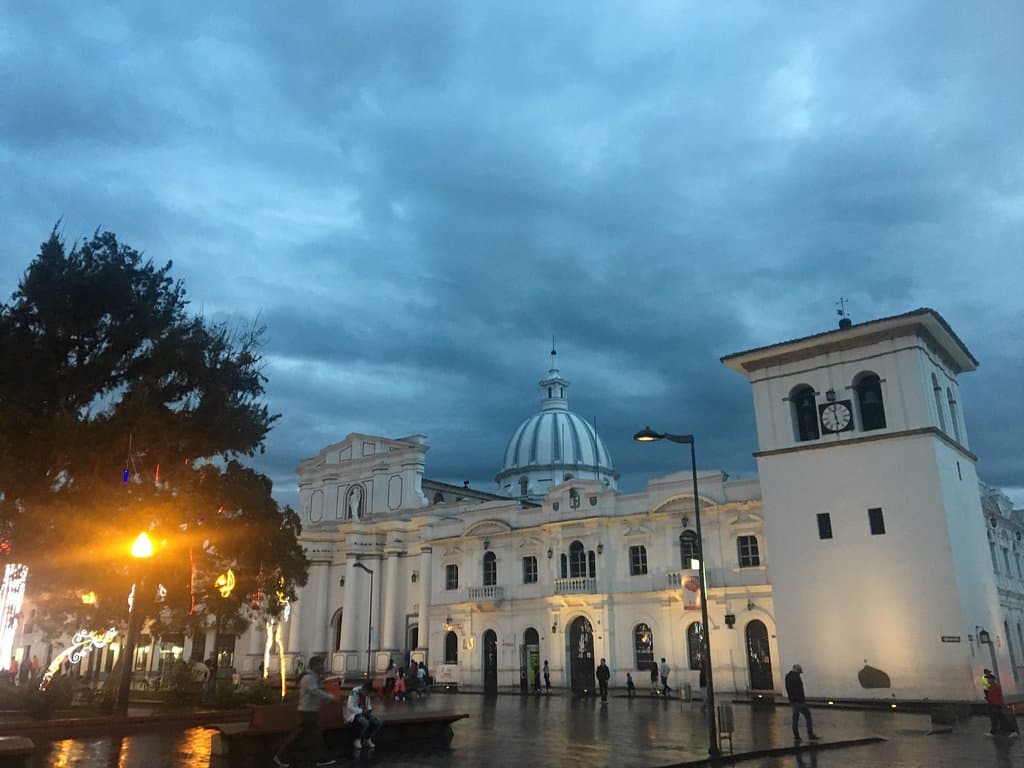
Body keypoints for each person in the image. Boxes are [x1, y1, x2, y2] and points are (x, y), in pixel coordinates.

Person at [272, 655, 337, 767]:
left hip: (310, 711)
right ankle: (280, 757)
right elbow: (314, 691)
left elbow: (315, 692)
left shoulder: (313, 677)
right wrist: (329, 697)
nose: (323, 667)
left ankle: (319, 759)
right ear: (315, 665)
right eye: (321, 664)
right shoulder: (308, 678)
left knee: (314, 737)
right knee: (300, 737)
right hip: (307, 712)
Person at [784, 664, 820, 742]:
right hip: (799, 701)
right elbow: (799, 690)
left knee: (795, 719)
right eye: (799, 672)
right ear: (797, 670)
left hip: (793, 701)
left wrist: (791, 698)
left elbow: (787, 688)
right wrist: (802, 700)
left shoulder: (787, 676)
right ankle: (810, 734)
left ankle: (796, 736)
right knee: (808, 716)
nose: (800, 674)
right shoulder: (796, 677)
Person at [346, 679, 383, 750]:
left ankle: (368, 738)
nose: (367, 695)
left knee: (378, 721)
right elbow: (350, 706)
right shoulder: (355, 692)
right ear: (363, 689)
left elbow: (368, 704)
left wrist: (369, 709)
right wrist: (361, 711)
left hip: (364, 713)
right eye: (367, 693)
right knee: (364, 722)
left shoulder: (367, 694)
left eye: (368, 693)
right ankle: (357, 739)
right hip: (355, 714)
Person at [982, 669, 1013, 736]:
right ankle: (1011, 732)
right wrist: (987, 698)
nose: (988, 680)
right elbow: (991, 697)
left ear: (993, 679)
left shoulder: (996, 687)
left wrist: (1003, 705)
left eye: (989, 679)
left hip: (996, 706)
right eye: (987, 679)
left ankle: (993, 732)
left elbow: (1000, 697)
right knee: (1002, 719)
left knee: (996, 720)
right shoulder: (990, 688)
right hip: (992, 705)